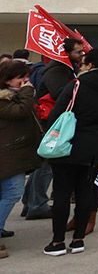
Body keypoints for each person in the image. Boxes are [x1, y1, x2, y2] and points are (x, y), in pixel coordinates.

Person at [44, 46, 98, 257]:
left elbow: (58, 113)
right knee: (87, 192)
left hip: (70, 144)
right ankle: (78, 240)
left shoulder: (78, 84)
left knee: (61, 193)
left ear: (91, 64)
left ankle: (57, 241)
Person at [23, 38, 83, 222]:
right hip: (51, 123)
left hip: (52, 122)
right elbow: (61, 94)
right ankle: (37, 204)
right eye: (77, 52)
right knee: (46, 165)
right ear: (66, 53)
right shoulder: (58, 70)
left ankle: (31, 202)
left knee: (43, 163)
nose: (81, 55)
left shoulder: (63, 69)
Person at [0, 61, 41, 257]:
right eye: (21, 78)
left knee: (6, 193)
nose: (25, 81)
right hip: (7, 154)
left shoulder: (14, 96)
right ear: (7, 79)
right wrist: (27, 93)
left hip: (12, 152)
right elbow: (20, 112)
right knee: (13, 192)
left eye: (27, 77)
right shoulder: (4, 99)